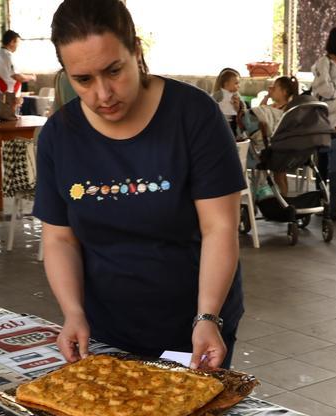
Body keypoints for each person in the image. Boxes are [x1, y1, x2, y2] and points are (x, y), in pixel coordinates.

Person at [34, 0, 244, 371]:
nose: (103, 94)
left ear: (136, 51)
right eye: (83, 80)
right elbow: (59, 239)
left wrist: (208, 317)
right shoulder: (59, 135)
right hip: (103, 325)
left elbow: (219, 227)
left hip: (194, 321)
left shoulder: (193, 116)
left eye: (114, 71)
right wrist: (73, 313)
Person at [251, 75, 299, 196]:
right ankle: (282, 200)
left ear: (284, 92)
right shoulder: (273, 106)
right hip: (271, 144)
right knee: (278, 175)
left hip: (281, 147)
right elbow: (261, 111)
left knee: (280, 176)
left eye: (275, 87)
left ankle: (284, 199)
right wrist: (267, 96)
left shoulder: (287, 108)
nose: (271, 89)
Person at [0, 29, 30, 94]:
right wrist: (31, 77)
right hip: (10, 94)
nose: (18, 46)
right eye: (17, 43)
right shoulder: (8, 56)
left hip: (2, 92)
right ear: (12, 42)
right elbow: (18, 77)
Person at [212, 68, 246, 138]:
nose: (239, 86)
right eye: (236, 83)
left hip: (233, 119)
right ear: (226, 84)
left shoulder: (236, 95)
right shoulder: (219, 94)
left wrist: (239, 107)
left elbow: (244, 108)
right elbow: (210, 103)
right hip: (221, 119)